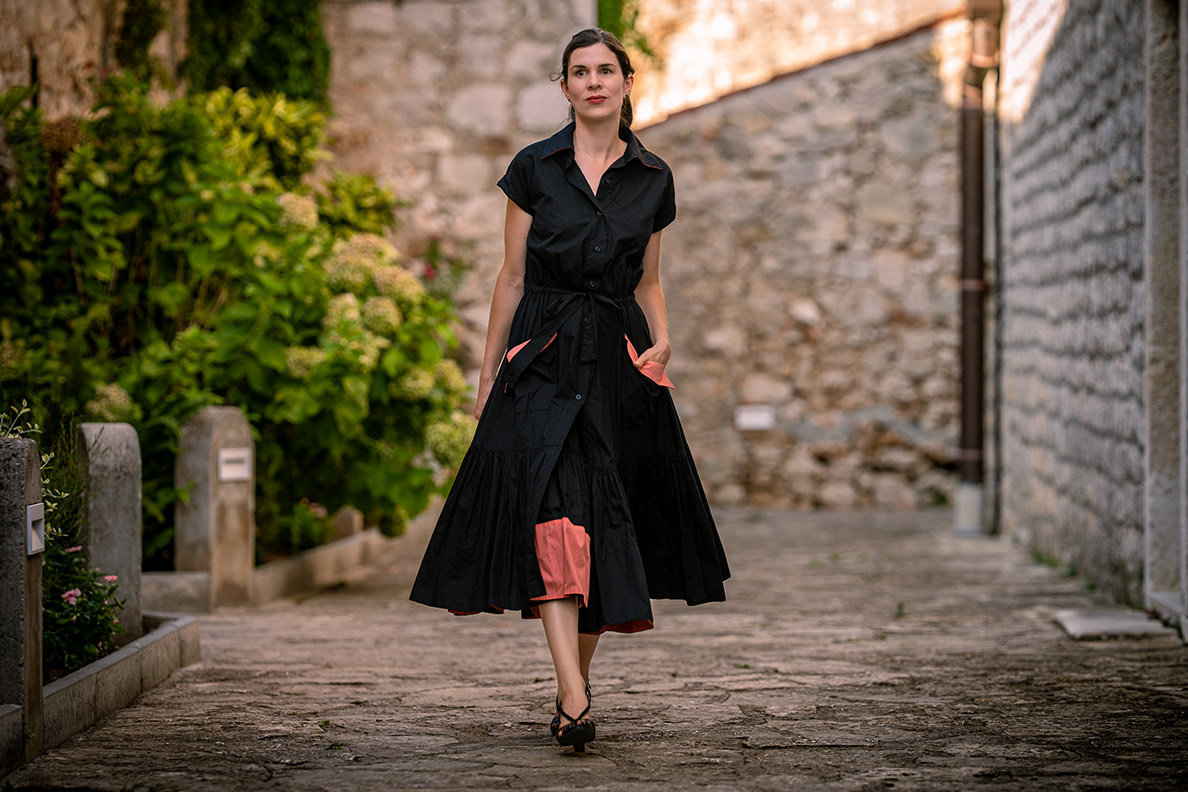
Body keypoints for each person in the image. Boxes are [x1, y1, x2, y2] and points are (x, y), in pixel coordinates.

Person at [410, 27, 730, 753]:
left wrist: (663, 336)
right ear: (564, 87)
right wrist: (487, 369)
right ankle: (578, 693)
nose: (593, 82)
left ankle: (568, 693)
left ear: (624, 83)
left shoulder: (653, 176)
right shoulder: (533, 168)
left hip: (618, 365)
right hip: (543, 358)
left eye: (605, 71)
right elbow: (512, 277)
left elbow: (649, 278)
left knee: (602, 525)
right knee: (555, 515)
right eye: (579, 72)